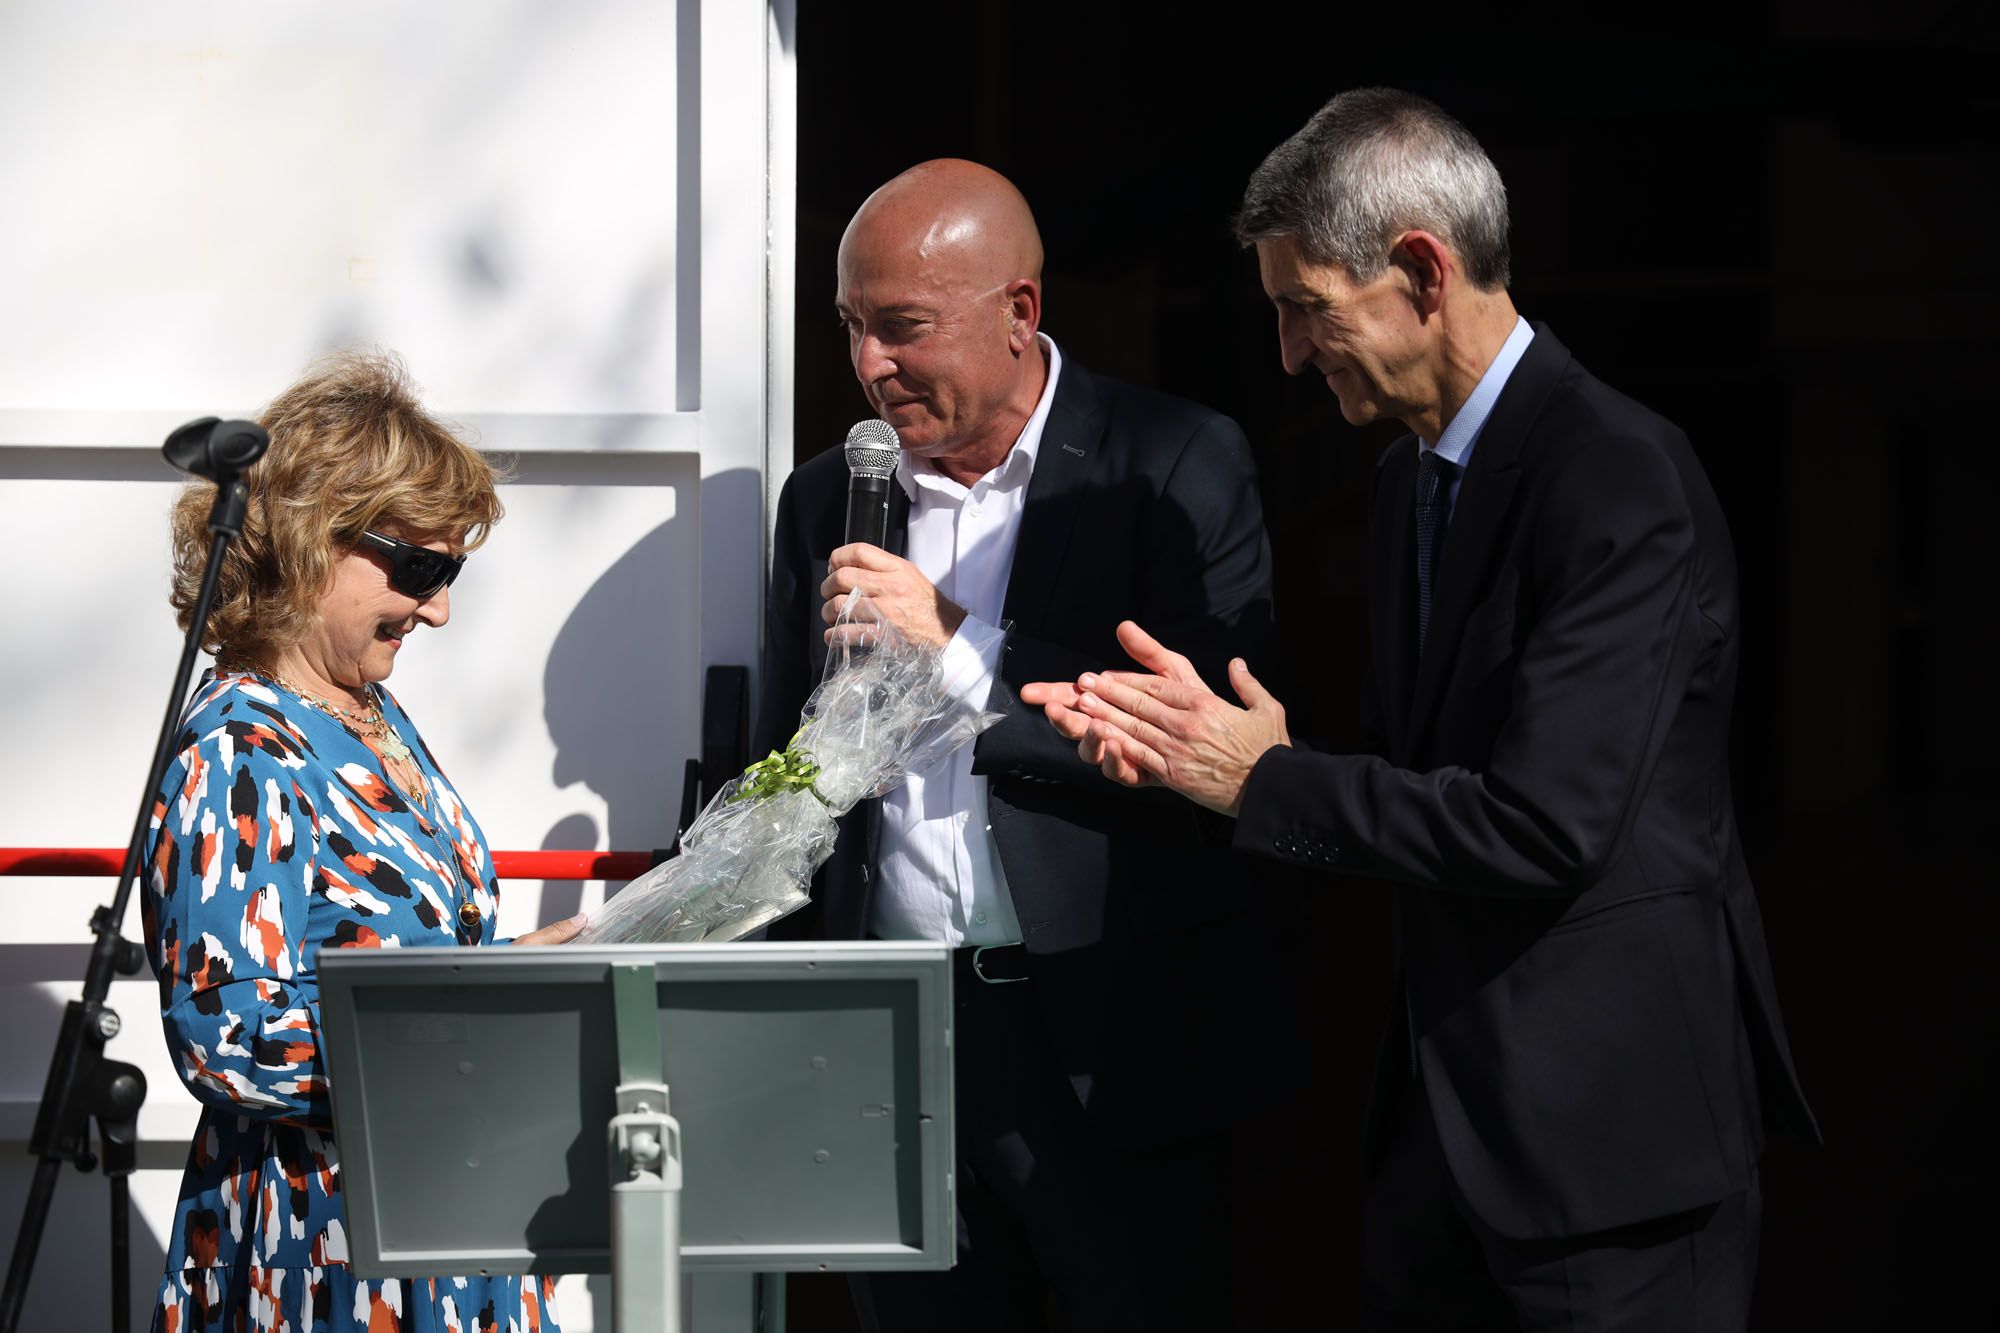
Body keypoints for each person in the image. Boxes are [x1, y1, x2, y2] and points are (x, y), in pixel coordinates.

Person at [1025, 90, 1820, 1330]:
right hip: (1441, 1148)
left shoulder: (1616, 476)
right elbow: (1418, 778)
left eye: (1305, 308)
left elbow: (1542, 825)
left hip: (1609, 1163)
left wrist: (1263, 777)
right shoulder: (1408, 481)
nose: (1289, 352)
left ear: (1419, 270)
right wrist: (1217, 755)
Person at [758, 159, 1290, 1330]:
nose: (867, 365)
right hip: (888, 1048)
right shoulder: (825, 502)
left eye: (901, 329)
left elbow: (1200, 747)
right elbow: (780, 762)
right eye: (850, 328)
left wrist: (954, 641)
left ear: (1018, 314)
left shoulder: (1172, 463)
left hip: (1106, 1040)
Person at [142, 350, 583, 1333]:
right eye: (420, 567)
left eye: (450, 569)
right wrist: (487, 1015)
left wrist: (513, 978)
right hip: (328, 1252)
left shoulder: (361, 705)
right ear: (309, 540)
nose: (438, 606)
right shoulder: (240, 745)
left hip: (436, 1216)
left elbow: (405, 967)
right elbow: (233, 1037)